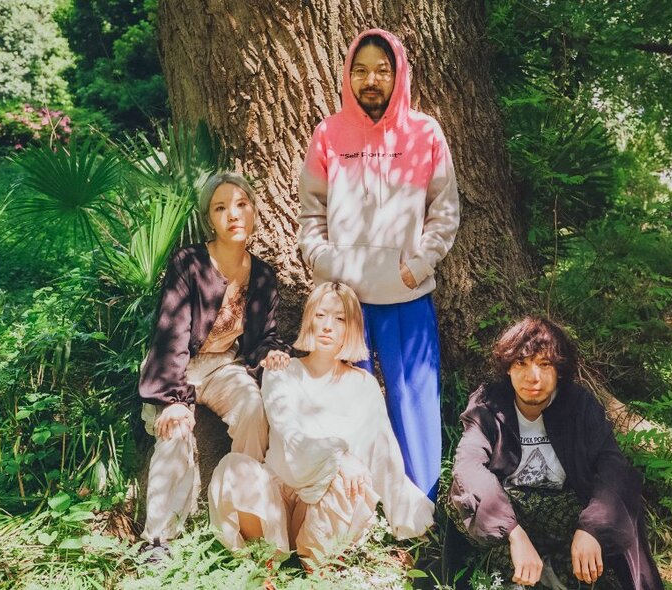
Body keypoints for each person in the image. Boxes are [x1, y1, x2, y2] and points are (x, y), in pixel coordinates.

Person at [298, 28, 460, 501]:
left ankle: (421, 504)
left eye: (383, 70)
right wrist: (330, 266)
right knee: (348, 406)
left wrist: (421, 261)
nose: (372, 79)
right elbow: (310, 214)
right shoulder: (329, 134)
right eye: (362, 69)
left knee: (415, 401)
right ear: (348, 74)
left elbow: (445, 209)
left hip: (407, 293)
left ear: (398, 75)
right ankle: (356, 509)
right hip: (345, 300)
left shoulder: (425, 132)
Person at [207, 282, 435, 563]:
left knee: (352, 482)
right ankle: (265, 566)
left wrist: (414, 522)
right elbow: (290, 433)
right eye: (321, 315)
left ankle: (316, 570)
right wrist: (340, 455)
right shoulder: (282, 370)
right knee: (234, 467)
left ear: (350, 328)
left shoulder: (364, 384)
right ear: (309, 320)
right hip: (277, 499)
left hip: (323, 506)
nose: (328, 326)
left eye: (339, 319)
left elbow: (383, 454)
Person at [447, 317, 663, 590]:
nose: (532, 377)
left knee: (617, 503)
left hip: (564, 512)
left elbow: (613, 468)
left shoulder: (579, 405)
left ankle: (552, 568)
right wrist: (512, 532)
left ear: (559, 370)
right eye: (521, 364)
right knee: (458, 493)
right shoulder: (489, 403)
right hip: (510, 509)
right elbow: (468, 466)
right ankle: (515, 564)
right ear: (508, 369)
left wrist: (592, 529)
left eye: (544, 364)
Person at [138, 172, 291, 555]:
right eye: (221, 208)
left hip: (225, 366)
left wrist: (271, 351)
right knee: (174, 432)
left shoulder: (263, 276)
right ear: (210, 218)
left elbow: (260, 338)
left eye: (241, 205)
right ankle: (158, 539)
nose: (233, 215)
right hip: (179, 366)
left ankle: (246, 510)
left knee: (254, 411)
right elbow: (171, 332)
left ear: (254, 211)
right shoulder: (189, 262)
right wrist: (172, 398)